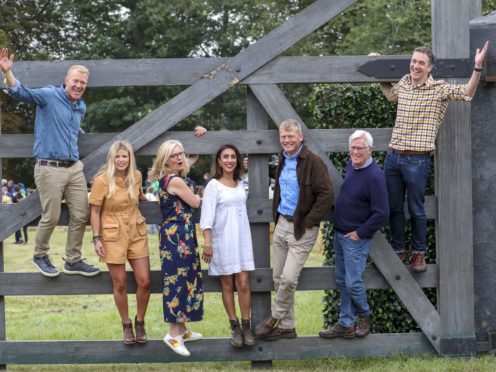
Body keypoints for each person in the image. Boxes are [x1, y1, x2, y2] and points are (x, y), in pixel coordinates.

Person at [374, 42, 489, 272]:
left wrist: (477, 68)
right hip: (394, 157)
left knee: (416, 208)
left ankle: (418, 254)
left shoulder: (439, 89)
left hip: (418, 160)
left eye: (421, 63)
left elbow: (467, 93)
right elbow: (391, 96)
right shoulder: (404, 82)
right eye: (414, 61)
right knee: (394, 207)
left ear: (430, 68)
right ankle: (398, 250)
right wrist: (378, 66)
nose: (415, 66)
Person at [0, 48, 99, 277]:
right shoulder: (49, 95)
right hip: (49, 167)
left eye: (83, 82)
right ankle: (40, 255)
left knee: (81, 214)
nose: (79, 85)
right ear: (67, 80)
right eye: (75, 81)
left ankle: (73, 260)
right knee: (51, 216)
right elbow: (21, 93)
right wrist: (7, 73)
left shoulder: (81, 107)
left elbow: (70, 129)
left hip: (74, 169)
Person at [255, 119, 333, 340]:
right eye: (283, 137)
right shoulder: (282, 159)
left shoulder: (313, 162)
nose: (287, 140)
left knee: (289, 278)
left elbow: (326, 194)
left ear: (300, 137)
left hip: (302, 228)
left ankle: (275, 316)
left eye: (291, 136)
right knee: (278, 278)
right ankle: (288, 326)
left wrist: (309, 221)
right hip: (281, 224)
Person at [319, 130, 389, 339]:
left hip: (355, 239)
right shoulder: (352, 166)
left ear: (369, 150)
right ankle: (346, 323)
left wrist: (360, 233)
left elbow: (382, 213)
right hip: (341, 235)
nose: (355, 152)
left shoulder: (375, 176)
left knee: (353, 282)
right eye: (353, 148)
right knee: (342, 280)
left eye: (360, 148)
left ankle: (364, 317)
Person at [89, 141, 150, 344]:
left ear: (130, 158)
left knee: (145, 281)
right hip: (112, 233)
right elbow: (95, 211)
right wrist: (96, 238)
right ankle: (126, 324)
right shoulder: (101, 181)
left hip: (136, 229)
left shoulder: (137, 176)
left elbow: (138, 196)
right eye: (118, 156)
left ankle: (140, 321)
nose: (121, 160)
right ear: (112, 159)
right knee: (121, 283)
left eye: (125, 156)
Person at [149, 140, 203, 357]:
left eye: (182, 154)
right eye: (174, 156)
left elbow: (192, 158)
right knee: (178, 282)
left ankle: (182, 330)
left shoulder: (172, 177)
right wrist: (198, 197)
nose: (180, 158)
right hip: (177, 237)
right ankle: (173, 334)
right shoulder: (175, 181)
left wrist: (199, 136)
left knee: (188, 279)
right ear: (165, 160)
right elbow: (195, 203)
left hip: (183, 234)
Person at [200, 144, 256, 348]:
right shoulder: (213, 186)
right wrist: (207, 243)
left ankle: (246, 326)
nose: (230, 160)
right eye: (226, 157)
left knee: (243, 283)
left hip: (241, 238)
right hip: (222, 240)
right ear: (219, 161)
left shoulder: (241, 183)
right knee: (227, 284)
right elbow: (206, 217)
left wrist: (249, 168)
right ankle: (234, 327)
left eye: (233, 156)